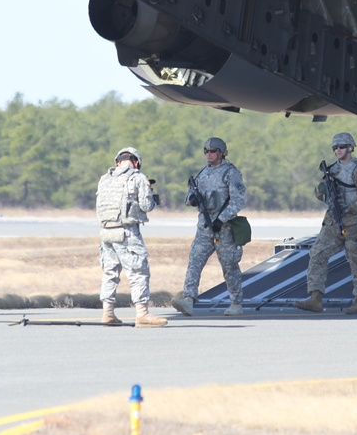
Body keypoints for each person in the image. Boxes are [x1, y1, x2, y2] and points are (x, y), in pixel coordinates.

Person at [294, 132, 357, 314]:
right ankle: (315, 298)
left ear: (350, 148)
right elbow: (321, 193)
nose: (338, 150)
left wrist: (348, 208)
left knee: (356, 260)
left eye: (342, 147)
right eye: (335, 148)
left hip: (353, 223)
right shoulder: (331, 170)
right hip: (332, 223)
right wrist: (320, 191)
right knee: (317, 253)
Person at [171, 137, 247, 317]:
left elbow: (238, 200)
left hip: (224, 228)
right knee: (195, 261)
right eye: (206, 151)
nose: (209, 154)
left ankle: (236, 302)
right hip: (204, 227)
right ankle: (188, 299)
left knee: (229, 266)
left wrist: (222, 219)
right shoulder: (202, 173)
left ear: (221, 153)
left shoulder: (230, 173)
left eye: (213, 151)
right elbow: (189, 194)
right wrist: (192, 198)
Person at [96, 147, 167, 327]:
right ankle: (142, 313)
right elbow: (146, 205)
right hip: (127, 232)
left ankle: (108, 312)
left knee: (110, 272)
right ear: (136, 162)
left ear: (118, 161)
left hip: (106, 232)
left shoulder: (105, 180)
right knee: (138, 272)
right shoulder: (138, 178)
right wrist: (149, 192)